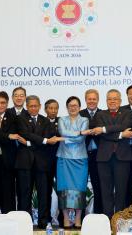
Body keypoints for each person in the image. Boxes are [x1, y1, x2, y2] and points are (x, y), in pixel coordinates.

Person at [16, 95, 62, 228]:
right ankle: (24, 222)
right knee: (25, 193)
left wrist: (29, 143)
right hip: (25, 162)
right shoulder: (20, 119)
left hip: (42, 162)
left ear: (40, 106)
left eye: (36, 106)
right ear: (27, 106)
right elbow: (25, 134)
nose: (33, 108)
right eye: (30, 106)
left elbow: (46, 139)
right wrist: (42, 140)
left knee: (43, 193)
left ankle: (43, 221)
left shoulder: (45, 121)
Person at [92, 89, 132, 218]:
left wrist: (104, 129)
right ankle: (107, 219)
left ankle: (119, 220)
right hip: (104, 158)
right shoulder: (100, 115)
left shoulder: (127, 113)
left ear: (120, 101)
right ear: (106, 101)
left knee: (121, 191)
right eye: (110, 99)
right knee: (106, 190)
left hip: (123, 157)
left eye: (115, 98)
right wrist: (121, 134)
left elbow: (125, 125)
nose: (112, 101)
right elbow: (102, 135)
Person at [56, 96, 90, 228]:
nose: (73, 108)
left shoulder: (85, 119)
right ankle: (65, 218)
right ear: (67, 107)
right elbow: (63, 132)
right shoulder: (61, 119)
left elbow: (81, 140)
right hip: (64, 158)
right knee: (64, 189)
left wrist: (64, 139)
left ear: (79, 107)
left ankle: (77, 219)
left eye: (75, 105)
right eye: (70, 105)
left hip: (80, 159)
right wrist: (80, 132)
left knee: (79, 189)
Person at [79, 89, 103, 214]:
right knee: (81, 187)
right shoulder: (79, 114)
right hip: (82, 155)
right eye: (89, 99)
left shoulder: (104, 113)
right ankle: (81, 217)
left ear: (98, 100)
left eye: (94, 99)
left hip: (99, 156)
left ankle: (99, 215)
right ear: (86, 100)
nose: (92, 101)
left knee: (98, 186)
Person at [44, 99, 60, 224]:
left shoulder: (62, 122)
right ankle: (47, 217)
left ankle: (61, 217)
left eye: (55, 108)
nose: (53, 111)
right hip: (46, 161)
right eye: (51, 108)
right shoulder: (41, 121)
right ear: (45, 110)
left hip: (61, 161)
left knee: (61, 190)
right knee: (46, 190)